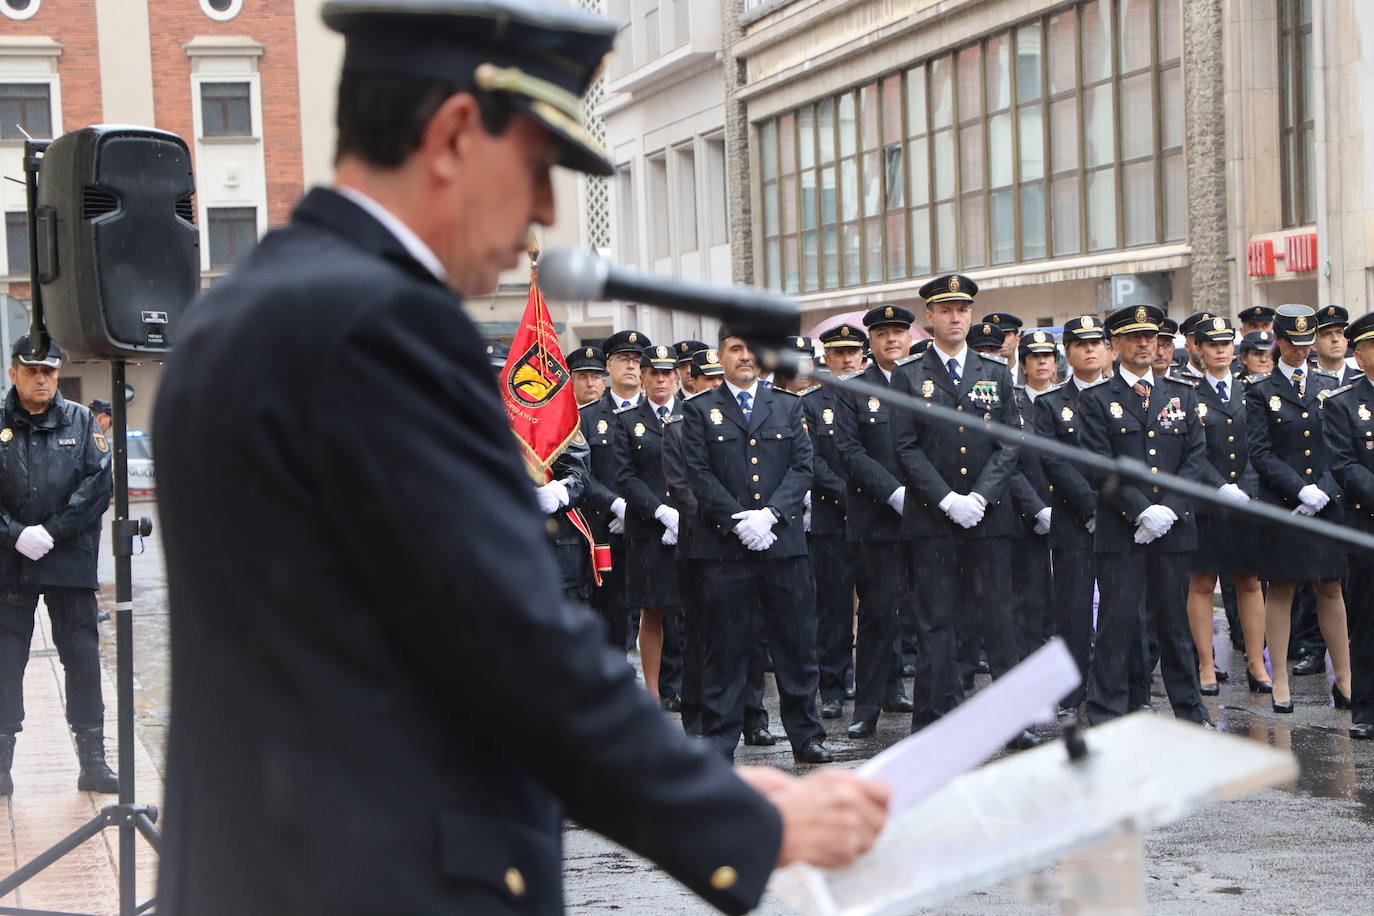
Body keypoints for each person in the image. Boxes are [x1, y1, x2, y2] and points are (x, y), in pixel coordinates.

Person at [151, 3, 889, 912]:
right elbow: (508, 635)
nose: (545, 211)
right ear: (457, 132)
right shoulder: (380, 326)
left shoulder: (252, 307)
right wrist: (744, 827)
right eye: (539, 168)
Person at [892, 277, 1038, 749]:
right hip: (933, 518)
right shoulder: (909, 376)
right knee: (936, 620)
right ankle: (936, 718)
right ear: (929, 318)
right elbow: (906, 446)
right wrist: (946, 498)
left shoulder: (993, 372)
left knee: (998, 619)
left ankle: (1013, 721)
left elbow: (1009, 442)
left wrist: (979, 496)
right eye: (946, 310)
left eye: (963, 309)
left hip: (987, 516)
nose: (956, 317)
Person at [684, 330, 832, 763]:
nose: (744, 357)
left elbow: (802, 467)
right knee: (725, 648)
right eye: (735, 349)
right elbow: (698, 473)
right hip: (725, 549)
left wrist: (770, 516)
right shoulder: (699, 410)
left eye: (750, 349)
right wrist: (737, 521)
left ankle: (806, 735)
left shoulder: (787, 406)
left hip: (781, 545)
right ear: (720, 356)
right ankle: (720, 740)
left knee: (796, 645)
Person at [1076, 305, 1211, 727]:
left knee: (1174, 626)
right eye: (1134, 337)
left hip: (1172, 530)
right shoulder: (1098, 399)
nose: (1144, 344)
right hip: (1122, 531)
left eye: (1150, 337)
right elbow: (1099, 465)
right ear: (1115, 345)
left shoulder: (1182, 394)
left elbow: (1194, 459)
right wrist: (1141, 511)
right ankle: (1106, 713)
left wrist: (1168, 510)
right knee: (1117, 624)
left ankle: (1190, 711)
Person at [0, 336, 117, 797]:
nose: (42, 378)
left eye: (49, 370)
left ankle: (93, 760)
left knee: (83, 658)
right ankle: (1, 766)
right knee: (5, 661)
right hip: (11, 561)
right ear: (14, 373)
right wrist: (15, 533)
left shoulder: (83, 421)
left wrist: (52, 530)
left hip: (68, 557)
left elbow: (98, 484)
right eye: (32, 370)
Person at [1243, 304, 1353, 714]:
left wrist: (1323, 488)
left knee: (1330, 585)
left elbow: (1342, 445)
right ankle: (1281, 680)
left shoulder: (1328, 385)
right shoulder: (1260, 391)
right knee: (1283, 587)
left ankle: (1344, 677)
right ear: (1279, 341)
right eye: (1294, 344)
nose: (1302, 351)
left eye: (1308, 344)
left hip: (1326, 502)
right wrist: (1298, 489)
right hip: (1283, 503)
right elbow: (1260, 451)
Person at [830, 306, 919, 739]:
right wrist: (894, 492)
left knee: (929, 612)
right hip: (877, 520)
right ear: (873, 341)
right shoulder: (854, 390)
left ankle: (918, 694)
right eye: (882, 333)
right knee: (878, 615)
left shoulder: (925, 381)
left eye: (898, 332)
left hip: (929, 516)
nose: (891, 340)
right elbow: (849, 452)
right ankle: (866, 707)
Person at [1180, 317, 1269, 694]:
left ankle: (1256, 663)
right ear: (1198, 349)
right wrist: (1218, 486)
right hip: (1206, 500)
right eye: (1211, 344)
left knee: (1249, 581)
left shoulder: (1251, 390)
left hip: (1246, 499)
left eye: (1226, 343)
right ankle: (1205, 663)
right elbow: (1189, 451)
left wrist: (1248, 490)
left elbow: (1260, 446)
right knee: (1202, 582)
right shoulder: (1187, 391)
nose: (1220, 350)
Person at [1033, 316, 1107, 714]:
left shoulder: (1126, 396)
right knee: (1074, 610)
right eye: (1080, 344)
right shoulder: (1051, 403)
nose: (1089, 350)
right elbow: (1054, 461)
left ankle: (1116, 687)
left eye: (1096, 343)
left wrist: (1115, 506)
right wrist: (1090, 504)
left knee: (1122, 607)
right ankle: (1072, 689)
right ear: (1068, 353)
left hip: (1122, 518)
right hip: (1073, 520)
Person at [612, 344, 684, 706]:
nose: (660, 380)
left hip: (691, 525)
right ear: (642, 376)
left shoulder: (694, 414)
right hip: (649, 529)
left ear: (676, 377)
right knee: (652, 611)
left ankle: (693, 686)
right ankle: (654, 694)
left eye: (667, 373)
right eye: (653, 372)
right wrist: (660, 512)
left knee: (694, 610)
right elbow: (625, 476)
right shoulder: (627, 421)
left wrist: (686, 512)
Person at [804, 323, 865, 720]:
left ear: (863, 356)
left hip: (878, 518)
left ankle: (884, 682)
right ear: (825, 357)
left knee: (882, 605)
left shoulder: (880, 398)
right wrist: (851, 495)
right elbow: (811, 460)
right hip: (833, 518)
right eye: (837, 353)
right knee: (835, 609)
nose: (846, 360)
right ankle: (833, 685)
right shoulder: (810, 403)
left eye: (852, 353)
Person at [1323, 311, 1374, 739]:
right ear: (1359, 353)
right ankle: (1368, 708)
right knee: (1367, 617)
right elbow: (1344, 464)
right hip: (1366, 524)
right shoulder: (1343, 402)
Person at [581, 330, 646, 651]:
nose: (631, 366)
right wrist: (617, 505)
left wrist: (640, 508)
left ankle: (667, 688)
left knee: (663, 615)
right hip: (607, 527)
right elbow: (583, 473)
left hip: (654, 527)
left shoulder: (661, 412)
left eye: (637, 360)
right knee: (612, 612)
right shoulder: (588, 417)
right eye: (624, 359)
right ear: (609, 364)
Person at [1009, 332, 1057, 659]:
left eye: (1047, 356)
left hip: (1068, 512)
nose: (1041, 362)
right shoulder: (1012, 406)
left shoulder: (1070, 401)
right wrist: (1036, 509)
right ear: (1023, 364)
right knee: (1030, 595)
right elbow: (1009, 463)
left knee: (1067, 595)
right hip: (1025, 515)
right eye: (1034, 357)